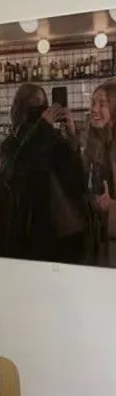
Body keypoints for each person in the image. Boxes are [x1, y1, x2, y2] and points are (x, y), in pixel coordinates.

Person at [0, 82, 94, 265]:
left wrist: (72, 138)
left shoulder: (54, 139)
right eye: (32, 109)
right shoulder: (11, 144)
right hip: (31, 233)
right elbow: (12, 176)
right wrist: (41, 129)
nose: (37, 116)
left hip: (66, 232)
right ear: (20, 111)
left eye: (41, 108)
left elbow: (78, 180)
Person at [83, 80, 116, 266]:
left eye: (102, 103)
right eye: (93, 103)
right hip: (100, 239)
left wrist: (110, 207)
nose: (94, 109)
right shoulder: (96, 141)